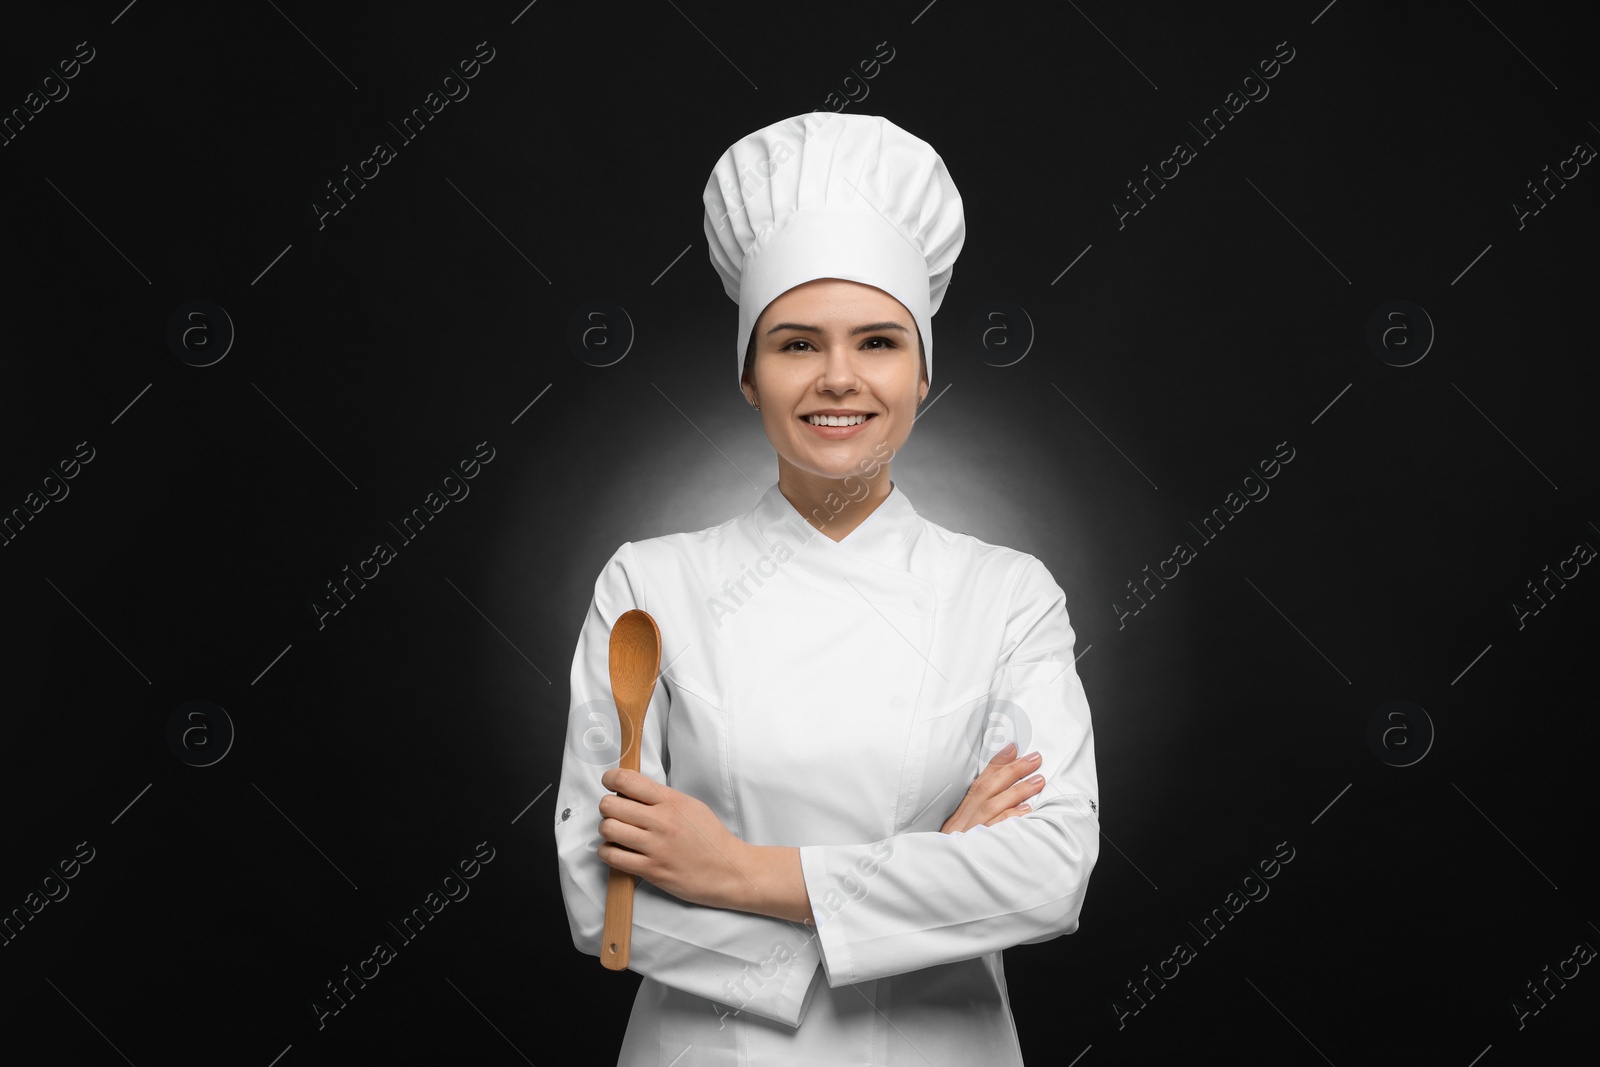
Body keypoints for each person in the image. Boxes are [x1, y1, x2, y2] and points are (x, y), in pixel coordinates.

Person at [554, 112, 1100, 1066]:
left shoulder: (1007, 595)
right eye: (798, 344)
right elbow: (602, 898)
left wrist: (735, 870)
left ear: (924, 372)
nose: (839, 379)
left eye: (879, 342)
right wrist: (932, 875)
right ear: (748, 375)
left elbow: (1048, 876)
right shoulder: (650, 585)